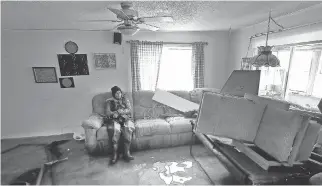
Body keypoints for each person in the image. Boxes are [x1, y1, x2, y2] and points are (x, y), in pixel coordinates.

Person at [104, 86, 135, 164]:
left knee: (129, 128)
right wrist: (116, 113)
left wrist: (121, 112)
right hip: (115, 120)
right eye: (116, 93)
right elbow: (108, 112)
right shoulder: (109, 101)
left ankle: (126, 153)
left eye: (119, 93)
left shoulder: (125, 100)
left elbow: (129, 110)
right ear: (113, 94)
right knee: (115, 130)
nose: (118, 95)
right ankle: (115, 155)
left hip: (126, 118)